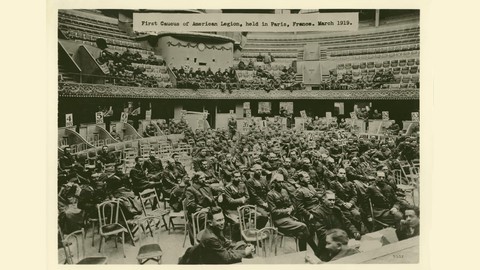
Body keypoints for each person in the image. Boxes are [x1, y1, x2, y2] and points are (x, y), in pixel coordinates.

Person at [267, 173, 318, 252]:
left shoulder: (284, 191)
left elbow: (290, 204)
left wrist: (291, 207)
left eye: (282, 182)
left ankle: (302, 254)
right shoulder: (270, 194)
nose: (281, 184)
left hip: (289, 218)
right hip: (279, 221)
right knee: (303, 226)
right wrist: (287, 211)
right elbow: (273, 212)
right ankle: (316, 250)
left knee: (301, 234)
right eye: (278, 182)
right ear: (274, 182)